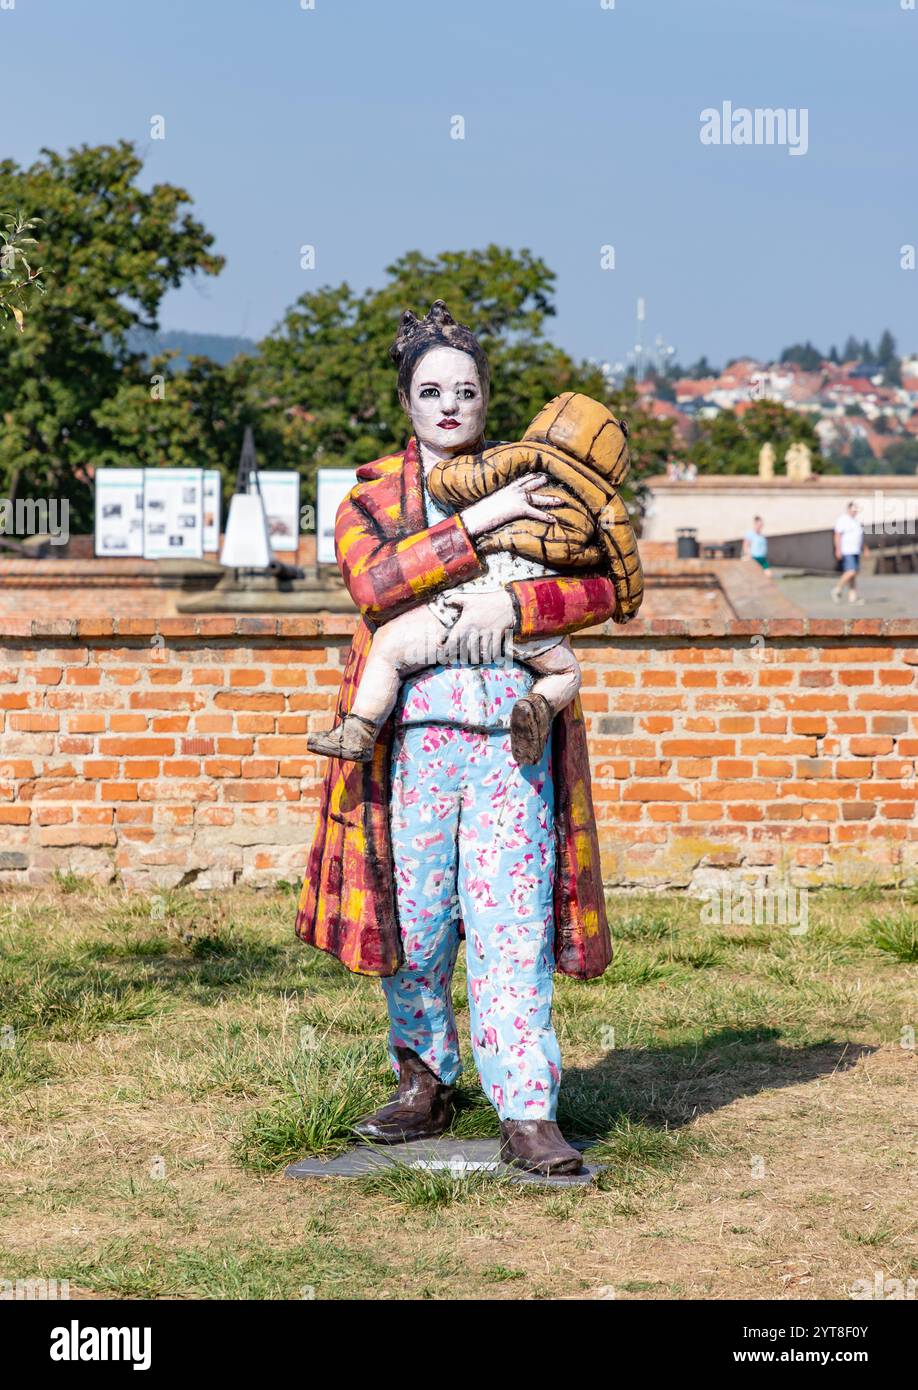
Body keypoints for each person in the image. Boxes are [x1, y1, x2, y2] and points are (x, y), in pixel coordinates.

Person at [294, 301, 622, 1175]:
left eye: (466, 391)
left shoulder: (539, 487)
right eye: (431, 390)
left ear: (486, 401)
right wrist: (476, 526)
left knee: (511, 918)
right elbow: (377, 584)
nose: (449, 406)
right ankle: (424, 1082)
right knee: (424, 918)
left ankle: (527, 1111)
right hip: (414, 745)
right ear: (404, 400)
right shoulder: (369, 499)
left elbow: (605, 590)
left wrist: (510, 607)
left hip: (513, 743)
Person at [832, 500, 866, 604]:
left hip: (856, 550)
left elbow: (859, 537)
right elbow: (837, 535)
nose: (855, 512)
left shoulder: (856, 521)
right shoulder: (843, 520)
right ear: (848, 509)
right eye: (853, 509)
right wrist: (838, 549)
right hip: (847, 550)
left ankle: (853, 597)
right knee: (851, 571)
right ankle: (837, 589)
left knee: (853, 575)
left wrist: (864, 548)